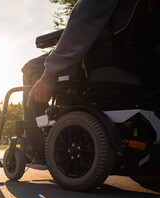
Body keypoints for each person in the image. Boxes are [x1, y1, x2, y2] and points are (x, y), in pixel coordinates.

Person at [22, 0, 150, 165]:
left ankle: (35, 149)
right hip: (144, 60)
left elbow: (83, 22)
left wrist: (48, 76)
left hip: (105, 55)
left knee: (31, 68)